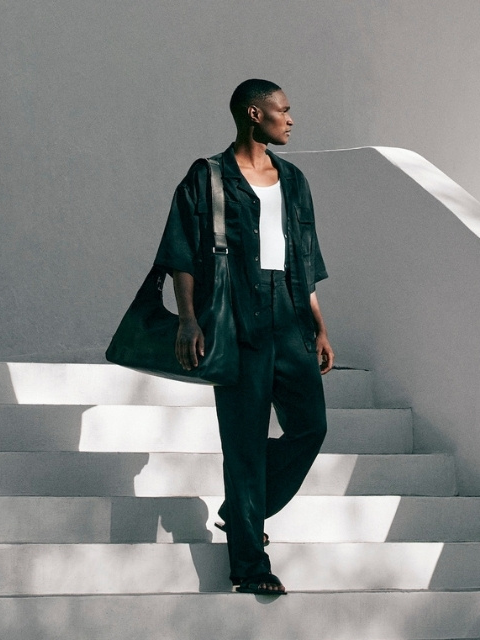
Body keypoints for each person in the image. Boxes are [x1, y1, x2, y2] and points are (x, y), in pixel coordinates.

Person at [154, 79, 334, 595]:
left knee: (311, 427)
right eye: (284, 110)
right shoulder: (207, 177)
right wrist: (188, 319)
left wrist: (319, 324)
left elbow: (305, 257)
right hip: (235, 319)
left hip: (290, 315)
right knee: (245, 445)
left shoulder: (294, 180)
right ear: (256, 114)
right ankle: (252, 567)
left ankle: (240, 510)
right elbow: (182, 254)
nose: (291, 119)